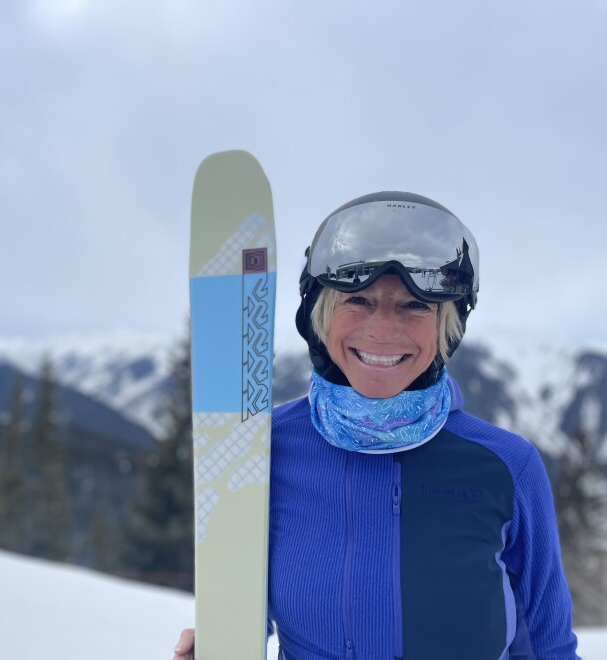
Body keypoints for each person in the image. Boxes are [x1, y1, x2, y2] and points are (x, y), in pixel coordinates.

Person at [173, 192, 579, 659]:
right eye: (358, 300)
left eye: (415, 306)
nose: (383, 329)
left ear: (449, 324)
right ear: (319, 316)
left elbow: (550, 647)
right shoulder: (262, 449)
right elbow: (241, 611)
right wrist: (219, 643)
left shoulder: (507, 466)